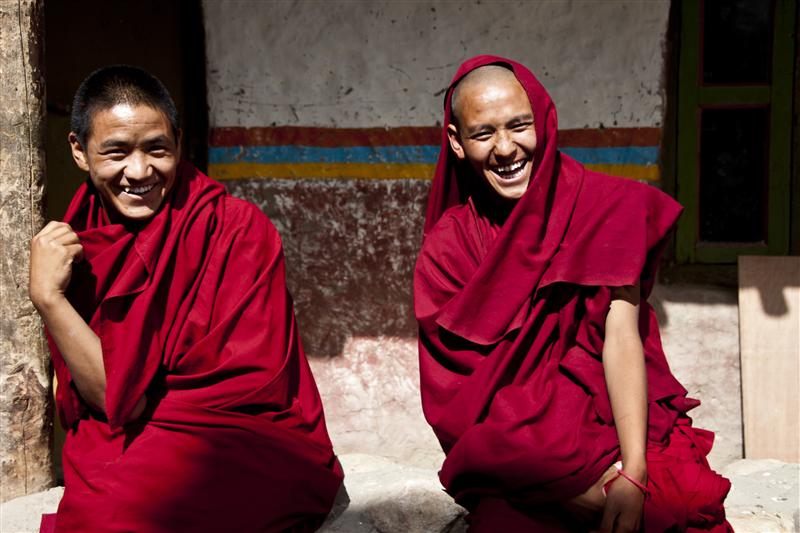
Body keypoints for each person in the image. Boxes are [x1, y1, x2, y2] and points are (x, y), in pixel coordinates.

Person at [414, 55, 732, 532]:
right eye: (483, 134)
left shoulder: (606, 208)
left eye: (519, 126)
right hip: (520, 460)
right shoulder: (449, 249)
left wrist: (634, 473)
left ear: (543, 120)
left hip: (617, 427)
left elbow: (621, 337)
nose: (506, 149)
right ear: (457, 143)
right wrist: (566, 488)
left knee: (677, 508)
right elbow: (458, 403)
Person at [29, 66, 343, 532]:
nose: (139, 172)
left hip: (236, 436)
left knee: (120, 516)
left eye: (156, 149)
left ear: (179, 142)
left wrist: (50, 300)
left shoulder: (236, 229)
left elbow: (247, 389)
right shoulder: (74, 245)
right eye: (116, 152)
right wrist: (50, 296)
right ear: (79, 150)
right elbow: (110, 401)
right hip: (131, 436)